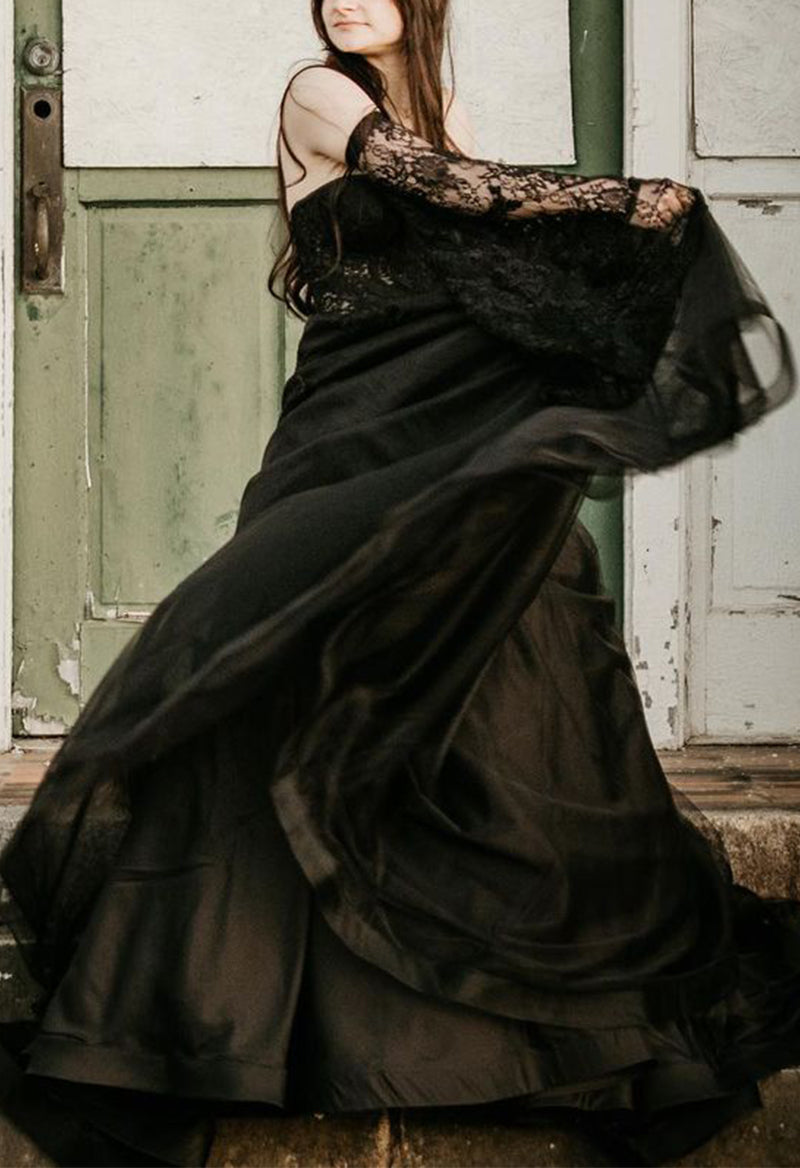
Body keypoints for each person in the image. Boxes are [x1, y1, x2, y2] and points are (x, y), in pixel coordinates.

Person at [0, 1, 798, 1165]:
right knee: (283, 659)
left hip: (431, 429)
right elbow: (461, 192)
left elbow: (493, 252)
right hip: (347, 432)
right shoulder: (317, 93)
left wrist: (610, 283)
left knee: (511, 618)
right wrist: (628, 202)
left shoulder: (443, 110)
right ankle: (218, 1020)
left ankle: (533, 1036)